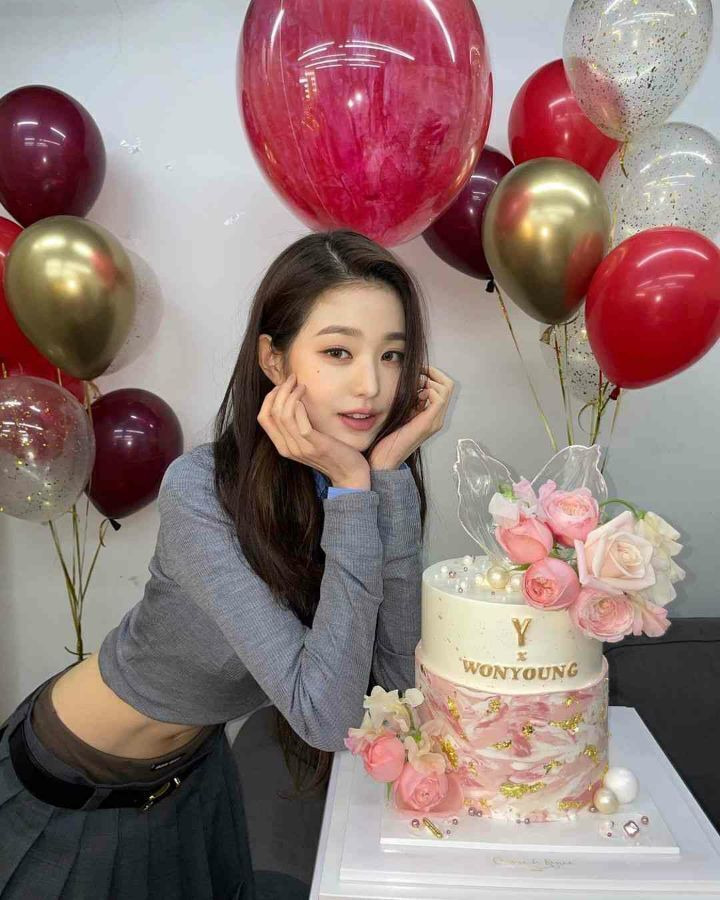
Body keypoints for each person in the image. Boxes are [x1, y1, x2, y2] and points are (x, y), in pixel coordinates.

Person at [0, 229, 453, 899]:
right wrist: (356, 489)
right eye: (338, 351)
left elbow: (396, 680)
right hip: (68, 782)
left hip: (191, 774)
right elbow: (326, 718)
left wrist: (382, 479)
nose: (372, 386)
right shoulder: (199, 490)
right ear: (273, 359)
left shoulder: (362, 483)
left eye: (392, 355)